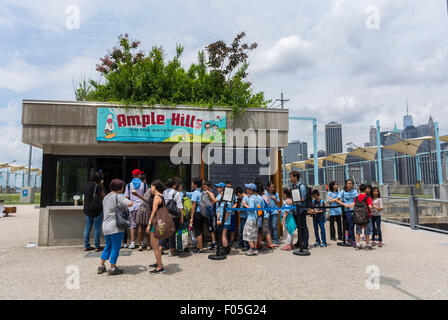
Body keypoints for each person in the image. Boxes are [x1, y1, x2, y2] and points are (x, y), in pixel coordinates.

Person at [98, 179, 133, 276]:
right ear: (121, 188)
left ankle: (101, 266)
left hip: (105, 226)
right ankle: (113, 267)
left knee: (108, 246)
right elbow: (130, 203)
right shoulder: (118, 196)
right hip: (116, 226)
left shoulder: (106, 197)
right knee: (115, 248)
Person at [146, 179, 167, 274]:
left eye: (151, 186)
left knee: (155, 246)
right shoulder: (162, 196)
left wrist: (149, 224)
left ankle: (159, 267)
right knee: (155, 245)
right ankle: (158, 262)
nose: (150, 188)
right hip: (160, 222)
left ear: (154, 186)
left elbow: (153, 212)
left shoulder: (156, 197)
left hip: (155, 223)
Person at [124, 169, 147, 249]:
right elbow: (146, 196)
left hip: (132, 206)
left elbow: (126, 197)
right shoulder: (144, 185)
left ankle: (132, 243)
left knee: (132, 225)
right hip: (141, 206)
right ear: (138, 175)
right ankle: (141, 243)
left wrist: (127, 206)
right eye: (140, 174)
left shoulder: (128, 185)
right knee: (140, 225)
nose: (141, 175)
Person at [83, 172, 105, 252]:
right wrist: (102, 186)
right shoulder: (98, 185)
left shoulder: (87, 184)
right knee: (97, 228)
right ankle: (97, 246)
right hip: (97, 209)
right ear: (99, 179)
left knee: (87, 227)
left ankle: (86, 245)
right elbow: (103, 196)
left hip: (88, 208)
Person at [162, 177, 185, 257]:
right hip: (174, 216)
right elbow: (180, 206)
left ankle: (160, 248)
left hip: (165, 214)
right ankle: (171, 251)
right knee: (172, 233)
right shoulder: (176, 193)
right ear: (174, 185)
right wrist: (182, 217)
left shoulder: (164, 192)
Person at [289, 171, 309, 250]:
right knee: (298, 227)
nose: (290, 178)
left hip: (301, 210)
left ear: (295, 177)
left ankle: (305, 243)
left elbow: (303, 198)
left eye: (291, 176)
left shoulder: (301, 186)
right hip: (295, 210)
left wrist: (292, 201)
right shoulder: (293, 186)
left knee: (303, 226)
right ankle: (299, 241)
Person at [336, 179, 358, 247]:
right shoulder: (342, 191)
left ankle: (349, 238)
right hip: (347, 210)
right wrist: (344, 204)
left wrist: (354, 204)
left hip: (354, 210)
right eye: (348, 183)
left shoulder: (354, 191)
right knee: (350, 224)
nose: (350, 185)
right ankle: (353, 240)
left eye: (351, 183)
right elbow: (338, 200)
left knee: (352, 224)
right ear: (346, 184)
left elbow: (357, 199)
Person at [256, 180, 275, 251]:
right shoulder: (265, 195)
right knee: (261, 230)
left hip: (263, 216)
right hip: (265, 215)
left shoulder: (259, 197)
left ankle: (270, 244)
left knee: (265, 230)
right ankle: (259, 243)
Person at [354, 184, 374, 250]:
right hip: (367, 216)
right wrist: (371, 210)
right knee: (367, 231)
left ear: (359, 190)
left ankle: (357, 244)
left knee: (358, 231)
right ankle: (368, 244)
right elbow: (370, 206)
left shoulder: (356, 197)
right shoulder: (368, 197)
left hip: (358, 216)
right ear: (366, 189)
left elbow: (354, 205)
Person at [189, 178, 206, 254]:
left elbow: (193, 205)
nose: (192, 184)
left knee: (197, 231)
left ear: (195, 184)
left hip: (197, 213)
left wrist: (192, 217)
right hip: (203, 213)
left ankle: (201, 249)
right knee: (200, 230)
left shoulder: (195, 193)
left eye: (193, 183)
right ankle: (198, 247)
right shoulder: (203, 192)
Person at [242, 183, 259, 256]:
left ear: (251, 190)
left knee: (247, 233)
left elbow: (251, 209)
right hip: (254, 218)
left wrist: (245, 204)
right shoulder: (255, 198)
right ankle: (254, 248)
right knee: (254, 234)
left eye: (248, 189)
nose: (246, 190)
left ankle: (252, 248)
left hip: (250, 218)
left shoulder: (251, 199)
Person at [235, 187, 250, 251]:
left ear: (239, 194)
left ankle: (246, 245)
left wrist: (240, 211)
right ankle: (241, 243)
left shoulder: (245, 198)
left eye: (238, 196)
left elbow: (245, 206)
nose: (238, 197)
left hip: (245, 217)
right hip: (243, 217)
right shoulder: (245, 197)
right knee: (241, 231)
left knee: (245, 232)